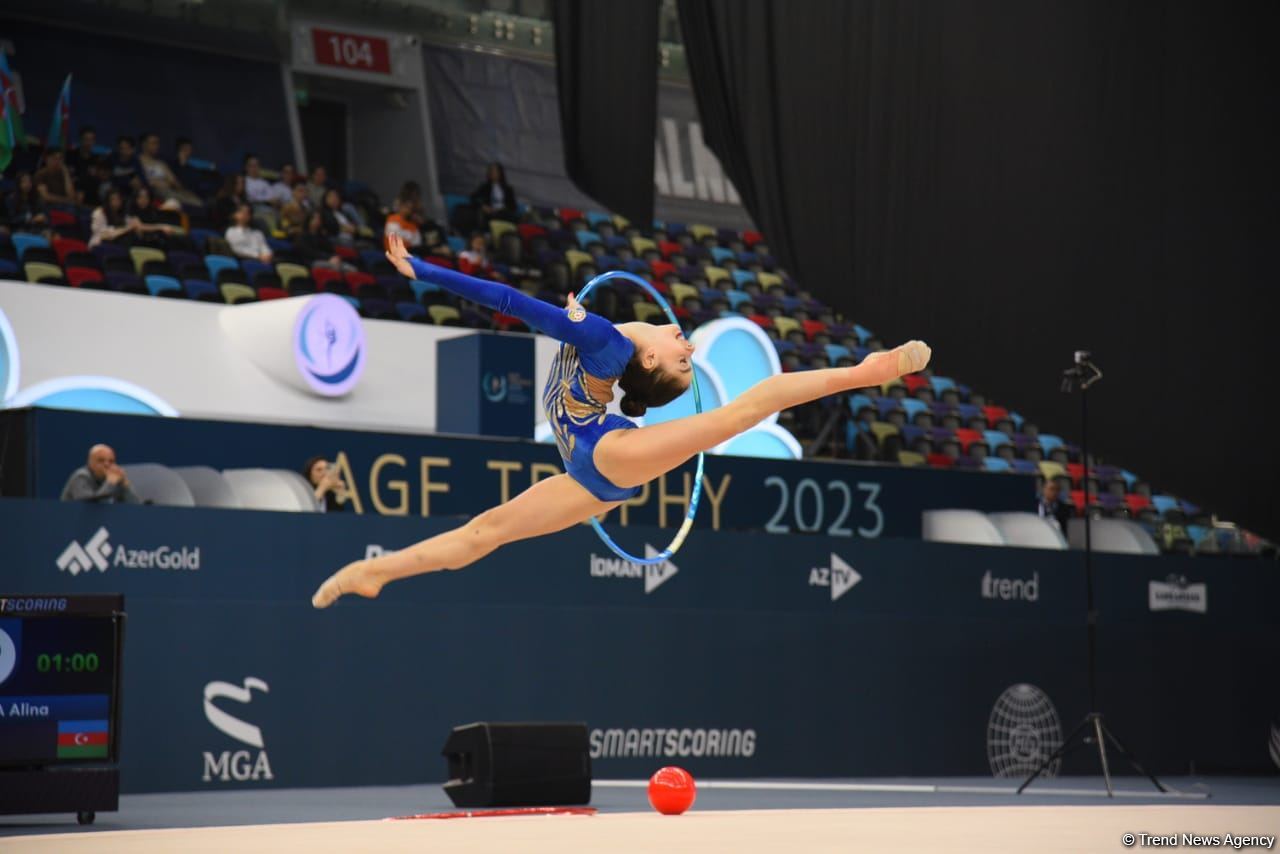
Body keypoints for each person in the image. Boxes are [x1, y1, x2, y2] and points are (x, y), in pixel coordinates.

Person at [311, 234, 930, 607]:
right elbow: (512, 304)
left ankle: (864, 372)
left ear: (651, 359)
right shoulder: (608, 345)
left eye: (683, 359)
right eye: (690, 358)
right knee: (483, 533)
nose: (687, 346)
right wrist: (428, 273)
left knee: (747, 408)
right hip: (588, 469)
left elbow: (508, 302)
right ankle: (375, 572)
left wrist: (426, 272)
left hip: (605, 455)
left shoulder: (606, 342)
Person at [138, 132, 202, 209]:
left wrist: (184, 191)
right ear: (144, 144)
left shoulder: (161, 163)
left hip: (170, 191)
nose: (157, 146)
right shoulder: (138, 161)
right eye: (153, 143)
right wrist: (158, 183)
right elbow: (147, 181)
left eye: (158, 143)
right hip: (156, 192)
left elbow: (173, 181)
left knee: (197, 201)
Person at [60, 444, 140, 504]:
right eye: (101, 460)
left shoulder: (115, 480)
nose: (107, 465)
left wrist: (125, 484)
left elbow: (136, 507)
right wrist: (110, 483)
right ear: (90, 463)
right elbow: (91, 506)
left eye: (111, 461)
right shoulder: (81, 476)